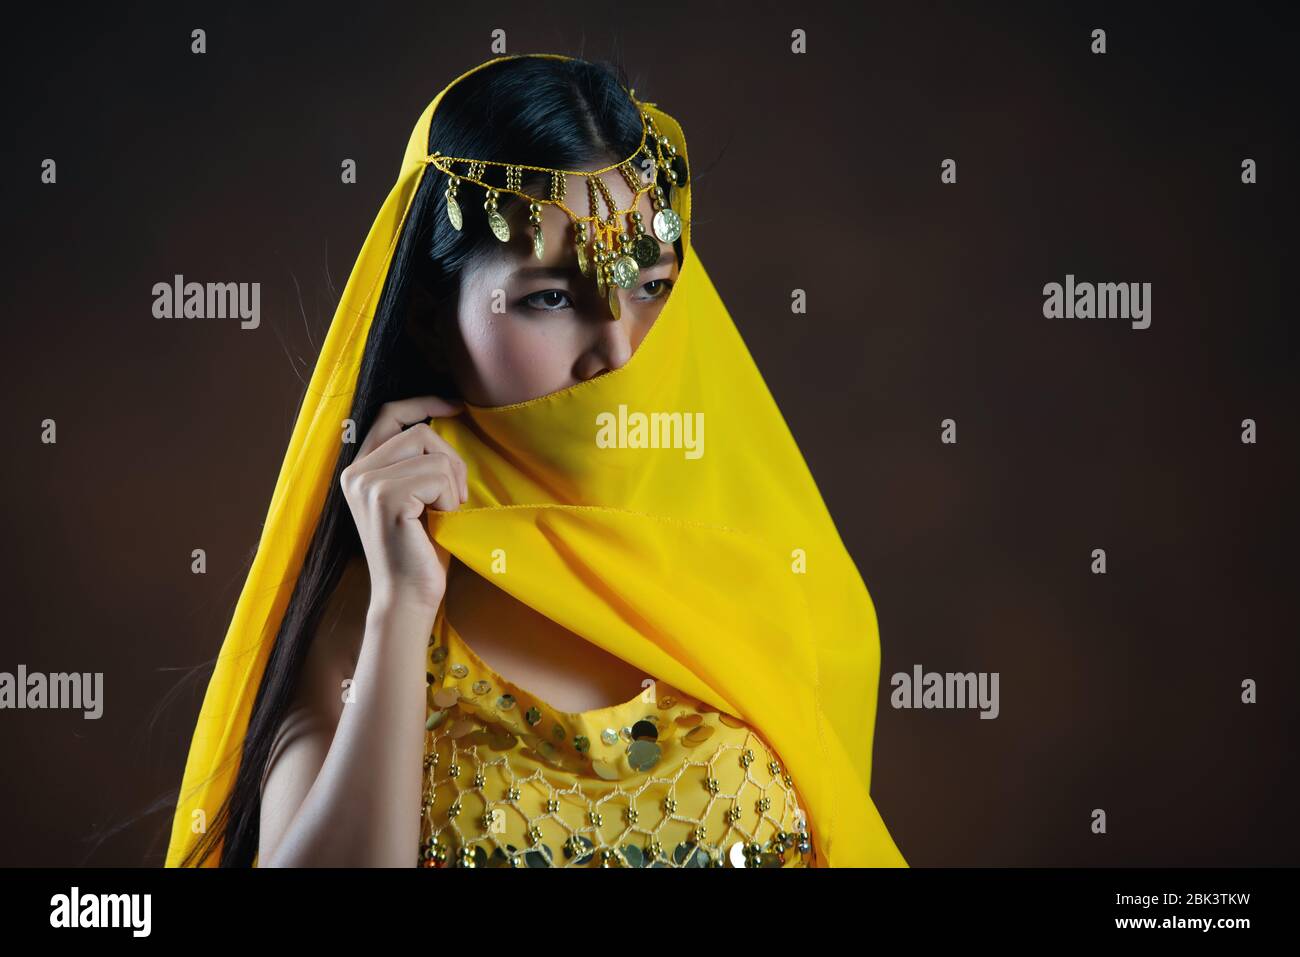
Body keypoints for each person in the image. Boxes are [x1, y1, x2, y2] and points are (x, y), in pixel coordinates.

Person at [165, 52, 908, 868]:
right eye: (549, 298)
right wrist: (402, 608)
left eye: (650, 285)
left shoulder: (773, 560)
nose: (617, 351)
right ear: (427, 319)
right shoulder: (377, 596)